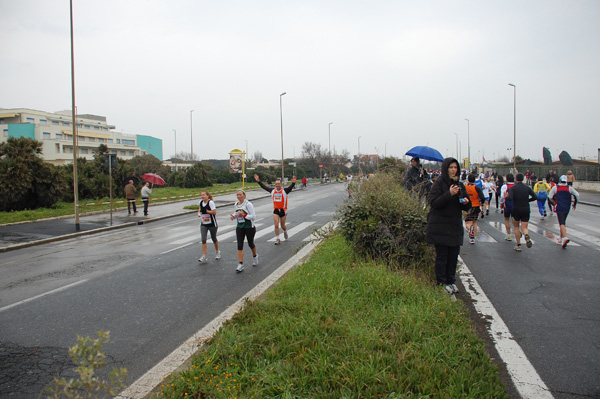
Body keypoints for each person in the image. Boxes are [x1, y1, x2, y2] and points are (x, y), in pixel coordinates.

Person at [425, 157, 471, 295]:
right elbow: (434, 203)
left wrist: (466, 203)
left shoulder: (460, 184)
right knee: (442, 256)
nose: (453, 170)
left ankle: (451, 281)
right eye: (451, 167)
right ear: (445, 169)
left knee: (453, 256)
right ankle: (441, 283)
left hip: (454, 226)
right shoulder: (439, 184)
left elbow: (467, 206)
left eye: (455, 167)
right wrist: (449, 194)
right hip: (440, 227)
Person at [254, 173, 296, 245]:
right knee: (276, 224)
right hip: (276, 210)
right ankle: (277, 238)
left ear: (281, 184)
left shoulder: (285, 191)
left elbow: (290, 187)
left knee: (282, 226)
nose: (277, 185)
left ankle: (285, 231)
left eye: (278, 184)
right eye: (276, 184)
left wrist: (293, 183)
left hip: (283, 210)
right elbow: (264, 187)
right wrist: (258, 181)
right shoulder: (272, 191)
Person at [507, 173, 537, 252]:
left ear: (516, 179)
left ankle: (519, 245)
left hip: (516, 208)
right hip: (526, 208)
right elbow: (535, 197)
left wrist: (507, 196)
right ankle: (526, 235)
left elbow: (510, 198)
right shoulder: (527, 188)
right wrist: (528, 200)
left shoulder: (513, 188)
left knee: (516, 227)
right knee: (524, 227)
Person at [230, 190, 258, 272]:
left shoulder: (248, 204)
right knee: (239, 245)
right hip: (240, 226)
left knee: (250, 243)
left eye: (240, 195)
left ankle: (255, 256)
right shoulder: (236, 204)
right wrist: (233, 216)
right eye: (237, 195)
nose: (239, 196)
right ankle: (240, 264)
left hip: (249, 227)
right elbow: (236, 213)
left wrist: (244, 215)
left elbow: (253, 216)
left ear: (244, 195)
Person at [548, 175, 579, 248]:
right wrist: (574, 204)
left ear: (559, 180)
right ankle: (561, 238)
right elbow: (577, 195)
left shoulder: (556, 188)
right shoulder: (569, 188)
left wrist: (553, 203)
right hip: (567, 207)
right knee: (563, 222)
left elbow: (550, 197)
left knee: (561, 223)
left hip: (559, 206)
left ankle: (564, 237)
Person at [197, 190, 220, 263]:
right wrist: (199, 213)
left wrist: (207, 211)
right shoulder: (201, 202)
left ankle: (217, 251)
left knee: (213, 238)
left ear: (207, 196)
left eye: (204, 195)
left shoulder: (211, 202)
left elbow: (214, 212)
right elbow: (200, 208)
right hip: (204, 223)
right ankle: (204, 255)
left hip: (212, 224)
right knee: (203, 239)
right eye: (201, 195)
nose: (202, 196)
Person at [464, 174, 485, 244]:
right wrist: (482, 203)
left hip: (467, 206)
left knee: (467, 222)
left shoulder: (465, 187)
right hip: (476, 206)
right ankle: (472, 238)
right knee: (475, 222)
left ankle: (470, 229)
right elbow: (482, 197)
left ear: (468, 180)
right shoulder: (476, 188)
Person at [500, 174, 516, 241]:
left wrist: (501, 203)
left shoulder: (505, 186)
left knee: (507, 219)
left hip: (507, 205)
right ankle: (516, 232)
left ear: (506, 179)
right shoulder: (516, 186)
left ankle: (509, 235)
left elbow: (502, 196)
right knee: (515, 220)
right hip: (515, 204)